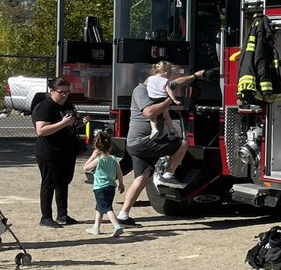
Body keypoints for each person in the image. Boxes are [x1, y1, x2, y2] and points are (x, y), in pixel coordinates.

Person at [116, 68, 206, 227]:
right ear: (151, 78)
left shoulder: (156, 86)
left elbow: (176, 83)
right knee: (182, 143)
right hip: (141, 141)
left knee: (141, 179)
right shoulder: (141, 91)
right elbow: (149, 112)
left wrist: (194, 76)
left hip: (139, 143)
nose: (166, 82)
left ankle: (123, 215)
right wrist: (168, 101)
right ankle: (168, 174)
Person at [32, 77, 88, 228]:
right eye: (61, 92)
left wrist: (80, 123)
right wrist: (63, 123)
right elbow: (41, 130)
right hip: (49, 152)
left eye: (67, 92)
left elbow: (70, 125)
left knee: (63, 183)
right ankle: (46, 217)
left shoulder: (68, 105)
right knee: (49, 183)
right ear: (52, 91)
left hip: (66, 151)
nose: (64, 95)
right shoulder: (45, 107)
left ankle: (62, 215)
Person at [82, 130, 125, 237]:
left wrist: (92, 156)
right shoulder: (114, 159)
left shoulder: (99, 160)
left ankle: (117, 226)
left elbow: (85, 168)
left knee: (106, 208)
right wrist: (121, 183)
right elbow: (119, 172)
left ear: (96, 146)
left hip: (100, 188)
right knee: (100, 207)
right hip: (111, 187)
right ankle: (96, 227)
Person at [145, 61, 182, 139]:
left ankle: (154, 129)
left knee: (152, 117)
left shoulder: (150, 78)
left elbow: (145, 86)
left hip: (153, 99)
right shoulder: (165, 81)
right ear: (165, 73)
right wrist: (174, 99)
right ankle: (171, 129)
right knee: (167, 116)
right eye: (169, 74)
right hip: (162, 99)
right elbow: (169, 91)